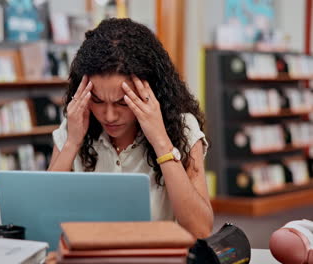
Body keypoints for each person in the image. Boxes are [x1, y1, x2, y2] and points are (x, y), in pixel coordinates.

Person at [47, 18, 213, 238]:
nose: (109, 115)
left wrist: (161, 141)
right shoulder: (76, 124)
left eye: (123, 103)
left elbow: (200, 228)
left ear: (151, 93)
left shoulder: (182, 128)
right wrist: (73, 142)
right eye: (97, 101)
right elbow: (44, 213)